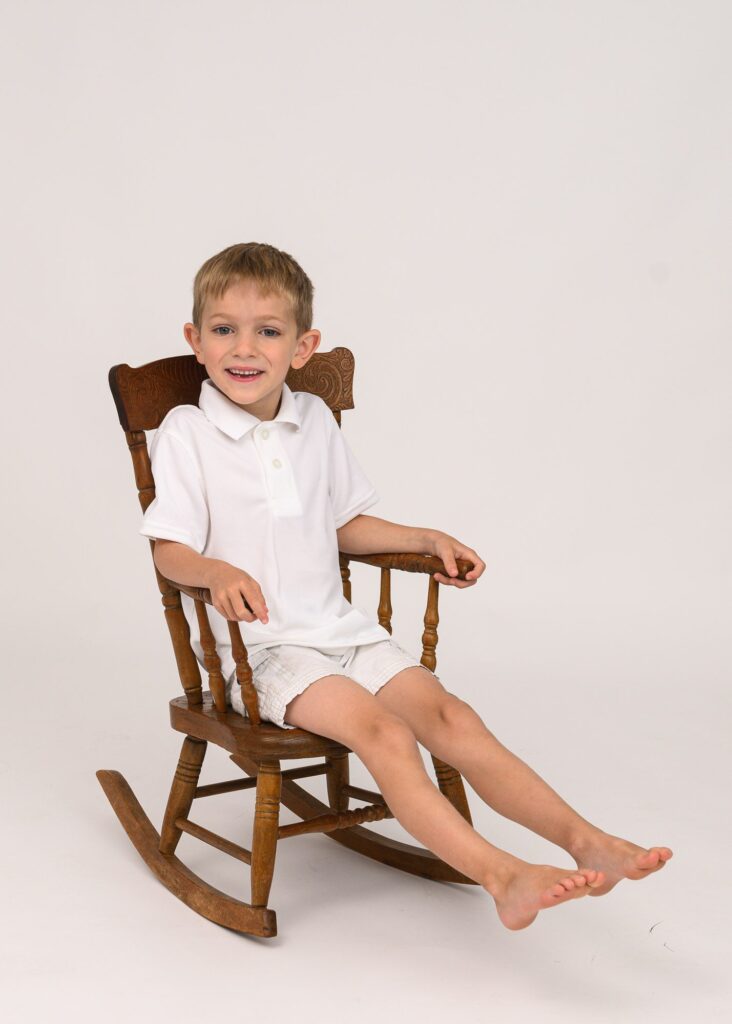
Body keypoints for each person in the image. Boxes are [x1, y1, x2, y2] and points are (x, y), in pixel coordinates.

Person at [140, 242, 672, 931]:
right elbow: (169, 550)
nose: (245, 348)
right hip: (263, 652)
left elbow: (343, 524)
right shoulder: (188, 431)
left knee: (454, 719)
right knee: (386, 734)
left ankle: (583, 839)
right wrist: (215, 571)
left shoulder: (315, 422)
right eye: (223, 329)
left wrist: (422, 538)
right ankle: (501, 874)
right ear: (196, 341)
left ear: (303, 347)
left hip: (341, 632)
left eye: (268, 330)